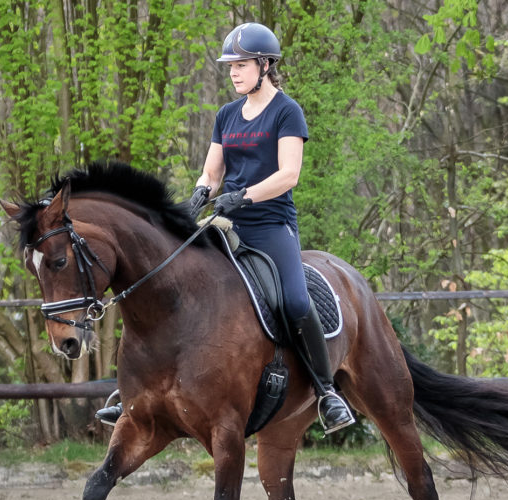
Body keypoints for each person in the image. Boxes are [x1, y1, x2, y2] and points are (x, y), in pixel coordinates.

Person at [97, 22, 355, 434]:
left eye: (241, 64)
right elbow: (212, 171)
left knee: (293, 301)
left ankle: (327, 391)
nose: (233, 71)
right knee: (168, 283)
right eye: (230, 65)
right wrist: (202, 192)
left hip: (271, 225)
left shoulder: (287, 111)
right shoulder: (226, 114)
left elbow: (289, 175)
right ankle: (132, 392)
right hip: (226, 222)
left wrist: (246, 195)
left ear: (265, 65)